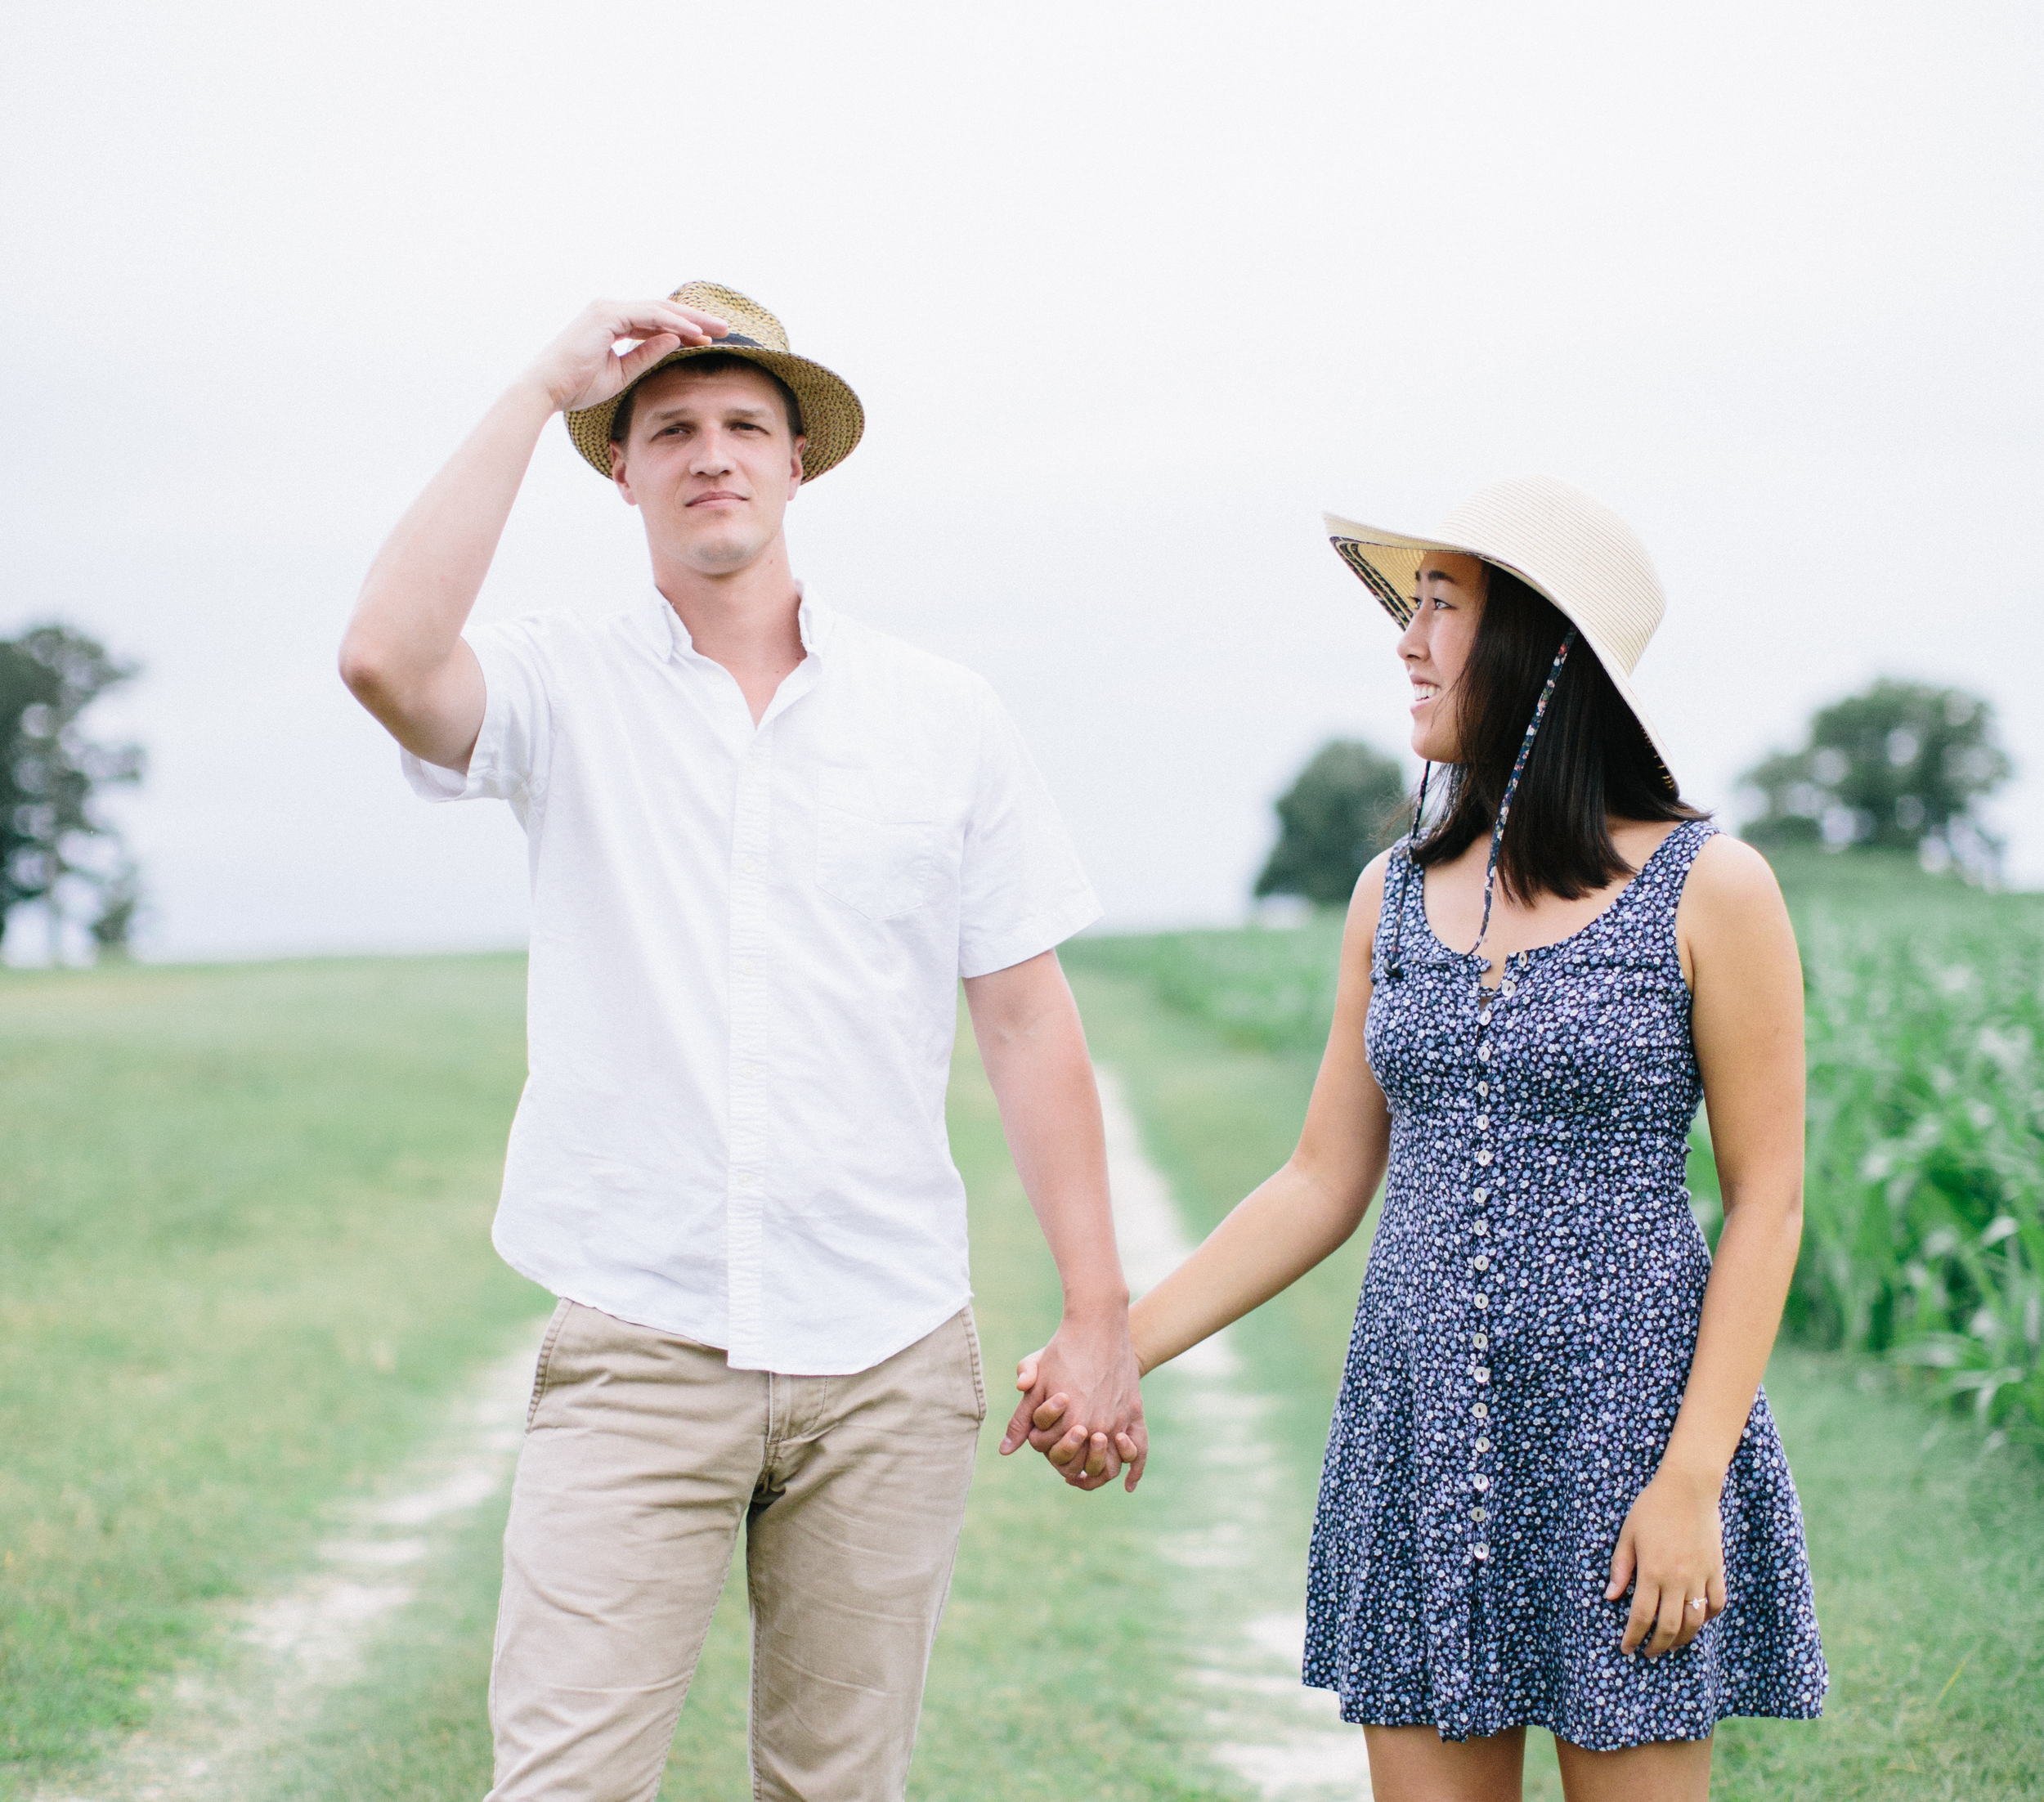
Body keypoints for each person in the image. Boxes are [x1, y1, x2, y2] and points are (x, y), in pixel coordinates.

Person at [338, 280, 1145, 1802]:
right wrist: (534, 387)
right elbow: (382, 657)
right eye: (671, 431)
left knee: (837, 1789)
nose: (711, 453)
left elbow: (1029, 1020)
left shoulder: (942, 713)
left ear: (796, 465)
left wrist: (1099, 1314)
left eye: (743, 426)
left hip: (888, 1356)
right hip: (639, 1341)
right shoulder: (557, 688)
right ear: (625, 472)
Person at [1021, 476, 1827, 1799]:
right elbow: (1322, 1178)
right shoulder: (1388, 894)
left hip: (1630, 1435)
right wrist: (1120, 1348)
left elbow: (1771, 1199)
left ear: (1543, 645)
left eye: (1440, 606)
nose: (1406, 639)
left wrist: (1690, 1479)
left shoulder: (1714, 886)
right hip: (1418, 1430)